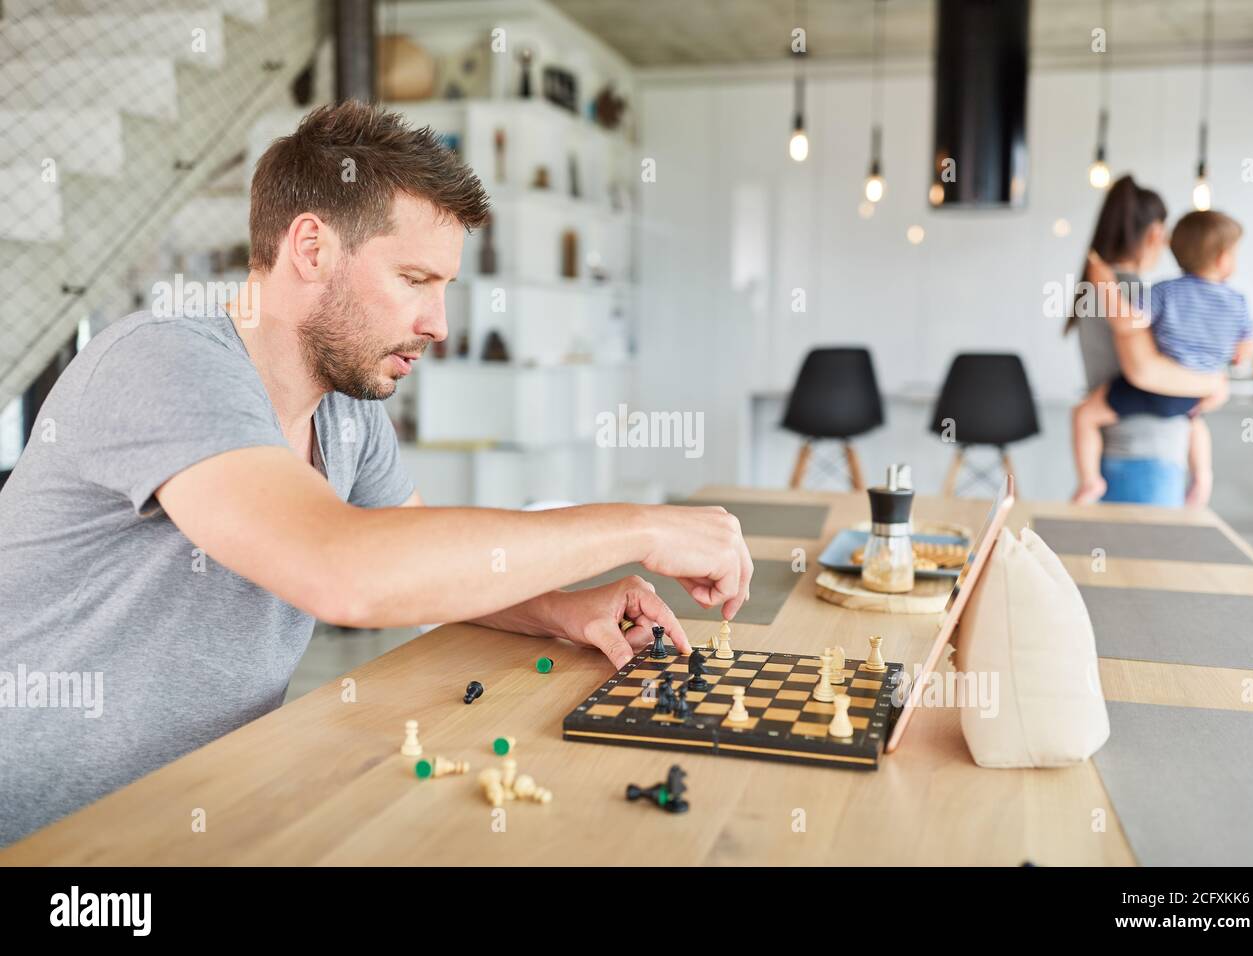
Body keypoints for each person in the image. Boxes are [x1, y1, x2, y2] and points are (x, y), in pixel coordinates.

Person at [0, 101, 753, 846]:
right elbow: (346, 571)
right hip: (52, 841)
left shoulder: (346, 412)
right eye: (415, 279)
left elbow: (419, 560)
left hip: (205, 811)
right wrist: (641, 525)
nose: (440, 324)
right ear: (312, 249)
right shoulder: (163, 363)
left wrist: (565, 610)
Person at [1064, 176, 1228, 507]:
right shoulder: (1134, 295)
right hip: (1150, 456)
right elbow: (1147, 371)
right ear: (1155, 233)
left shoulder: (1094, 290)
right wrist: (1214, 383)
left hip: (1116, 452)